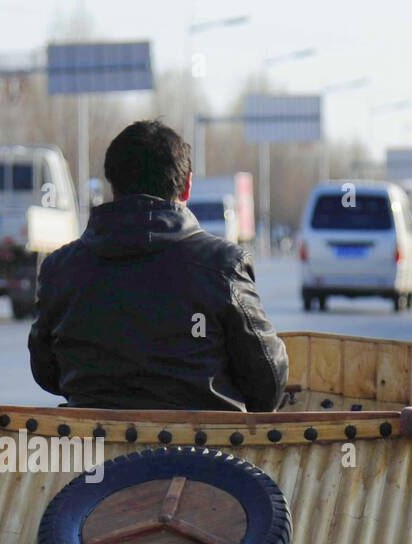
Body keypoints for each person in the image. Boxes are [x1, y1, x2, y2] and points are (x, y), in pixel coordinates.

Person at [29, 120, 288, 412]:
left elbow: (47, 372)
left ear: (112, 184)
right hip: (205, 453)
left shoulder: (59, 269)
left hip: (92, 449)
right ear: (188, 185)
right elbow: (267, 384)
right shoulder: (223, 266)